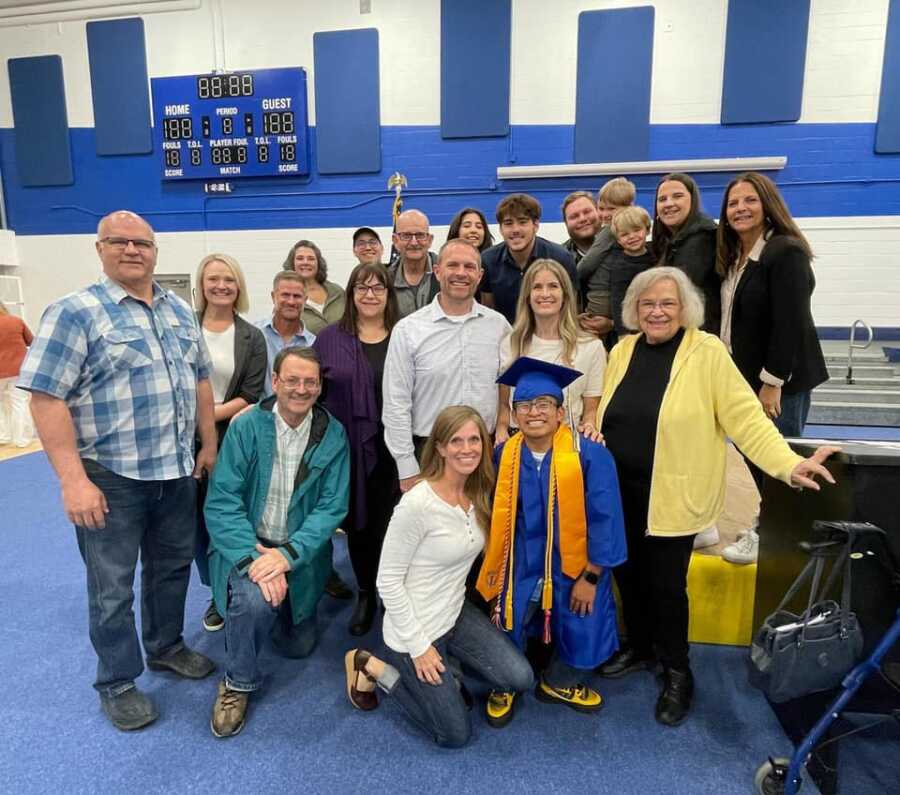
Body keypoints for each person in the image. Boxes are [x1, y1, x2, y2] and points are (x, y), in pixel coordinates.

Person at [596, 266, 838, 727]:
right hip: (620, 492)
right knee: (628, 576)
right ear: (634, 310)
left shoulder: (707, 352)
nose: (657, 311)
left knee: (667, 588)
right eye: (647, 304)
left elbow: (746, 419)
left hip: (672, 493)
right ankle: (641, 647)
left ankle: (677, 671)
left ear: (685, 308)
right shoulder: (622, 350)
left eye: (667, 303)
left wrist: (788, 463)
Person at [18, 210, 217, 731]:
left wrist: (209, 443)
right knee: (111, 588)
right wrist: (72, 480)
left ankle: (166, 646)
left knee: (172, 569)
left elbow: (199, 381)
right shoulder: (75, 312)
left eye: (142, 243)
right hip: (110, 476)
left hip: (174, 472)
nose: (133, 250)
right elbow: (46, 398)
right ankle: (118, 680)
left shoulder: (178, 311)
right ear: (100, 248)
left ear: (155, 250)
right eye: (120, 242)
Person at [343, 406, 533, 747]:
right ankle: (371, 665)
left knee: (520, 678)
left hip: (454, 614)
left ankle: (450, 672)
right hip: (412, 630)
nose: (467, 448)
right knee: (454, 735)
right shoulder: (417, 504)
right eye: (456, 440)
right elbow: (386, 581)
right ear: (441, 447)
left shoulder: (478, 494)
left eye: (474, 439)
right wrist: (419, 648)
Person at [204, 345, 349, 738]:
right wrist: (254, 560)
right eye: (292, 380)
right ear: (275, 382)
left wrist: (286, 557)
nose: (300, 389)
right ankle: (237, 681)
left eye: (310, 382)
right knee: (253, 600)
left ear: (319, 387)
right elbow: (222, 504)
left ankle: (268, 608)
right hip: (249, 544)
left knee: (297, 646)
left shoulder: (332, 435)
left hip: (297, 552)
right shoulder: (247, 427)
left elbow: (332, 507)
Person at [477, 357, 626, 722]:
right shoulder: (504, 454)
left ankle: (559, 681)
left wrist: (590, 578)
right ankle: (504, 681)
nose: (533, 413)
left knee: (583, 624)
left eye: (543, 404)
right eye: (524, 406)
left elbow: (607, 524)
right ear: (514, 414)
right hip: (521, 562)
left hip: (575, 566)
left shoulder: (590, 456)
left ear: (560, 412)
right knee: (507, 619)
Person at [716, 172, 829, 565]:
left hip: (781, 380)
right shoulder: (737, 257)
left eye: (749, 200)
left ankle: (777, 535)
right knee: (756, 455)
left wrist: (772, 382)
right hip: (747, 376)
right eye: (733, 203)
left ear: (768, 206)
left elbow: (790, 322)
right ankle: (772, 528)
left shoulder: (785, 251)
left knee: (781, 457)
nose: (740, 209)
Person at [313, 263, 401, 635]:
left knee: (398, 527)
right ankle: (366, 593)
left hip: (400, 450)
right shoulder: (330, 338)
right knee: (361, 527)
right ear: (350, 294)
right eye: (361, 288)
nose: (369, 294)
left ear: (388, 294)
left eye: (378, 288)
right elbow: (312, 392)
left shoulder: (405, 333)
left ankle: (394, 597)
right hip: (350, 448)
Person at [383, 239, 510, 492]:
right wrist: (407, 466)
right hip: (431, 453)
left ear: (480, 274)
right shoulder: (409, 330)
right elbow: (396, 403)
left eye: (469, 267)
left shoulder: (499, 327)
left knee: (483, 529)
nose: (461, 273)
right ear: (438, 271)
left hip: (483, 453)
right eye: (453, 265)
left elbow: (507, 391)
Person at [193, 253, 268, 632]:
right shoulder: (182, 328)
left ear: (239, 287)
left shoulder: (251, 336)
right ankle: (213, 590)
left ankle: (229, 591)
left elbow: (251, 393)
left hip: (231, 438)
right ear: (201, 285)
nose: (221, 286)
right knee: (194, 523)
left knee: (227, 516)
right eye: (213, 279)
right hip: (180, 439)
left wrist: (206, 420)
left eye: (229, 279)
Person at [496, 259, 605, 444]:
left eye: (553, 286)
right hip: (520, 444)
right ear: (527, 297)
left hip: (567, 446)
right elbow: (504, 405)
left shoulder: (591, 347)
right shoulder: (511, 343)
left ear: (565, 295)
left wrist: (589, 427)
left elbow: (590, 411)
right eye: (537, 287)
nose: (545, 294)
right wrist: (501, 430)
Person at [480, 193, 578, 324]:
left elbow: (572, 308)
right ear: (501, 229)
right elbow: (488, 312)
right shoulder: (487, 261)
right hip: (505, 337)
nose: (515, 229)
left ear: (536, 225)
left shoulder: (561, 258)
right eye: (508, 223)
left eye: (522, 222)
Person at [651, 172, 721, 334]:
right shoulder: (670, 241)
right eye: (662, 199)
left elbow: (676, 291)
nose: (669, 204)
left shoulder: (703, 238)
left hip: (698, 336)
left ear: (693, 200)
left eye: (677, 196)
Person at [577, 177, 637, 339]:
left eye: (611, 209)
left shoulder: (609, 232)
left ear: (629, 208)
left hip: (600, 297)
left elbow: (586, 265)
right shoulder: (632, 234)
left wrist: (573, 276)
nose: (604, 215)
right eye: (601, 208)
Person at [256, 271, 316, 397]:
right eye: (285, 295)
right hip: (257, 413)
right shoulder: (254, 334)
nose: (291, 301)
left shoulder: (313, 344)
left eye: (297, 296)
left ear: (305, 300)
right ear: (273, 297)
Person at [607, 206, 656, 338]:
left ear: (647, 229)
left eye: (636, 230)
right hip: (635, 326)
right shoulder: (620, 266)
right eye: (625, 234)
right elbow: (618, 302)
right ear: (618, 239)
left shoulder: (657, 252)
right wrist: (623, 334)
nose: (632, 236)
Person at [282, 239, 346, 334]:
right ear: (292, 263)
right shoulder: (285, 297)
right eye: (300, 258)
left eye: (311, 259)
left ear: (318, 263)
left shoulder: (337, 291)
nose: (305, 262)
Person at [388, 209, 440, 318]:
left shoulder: (446, 273)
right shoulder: (385, 279)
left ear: (430, 240)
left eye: (420, 235)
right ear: (395, 240)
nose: (414, 242)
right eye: (406, 236)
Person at [0, 300, 34, 447]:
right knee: (19, 403)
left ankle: (3, 436)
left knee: (1, 405)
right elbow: (31, 341)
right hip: (18, 369)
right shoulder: (16, 321)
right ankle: (22, 439)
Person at [561, 191, 601, 267]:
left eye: (587, 212)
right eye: (574, 216)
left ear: (599, 212)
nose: (582, 219)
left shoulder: (621, 246)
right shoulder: (559, 259)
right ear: (566, 224)